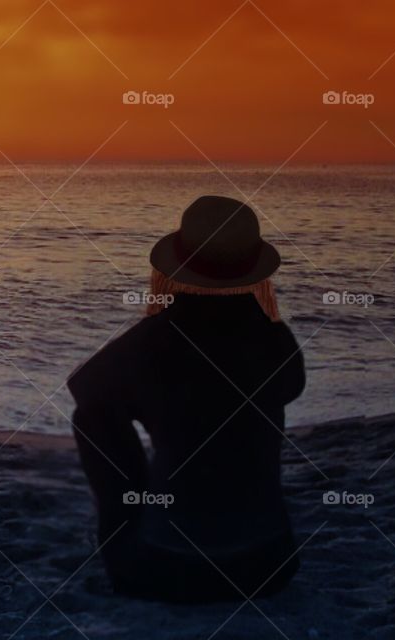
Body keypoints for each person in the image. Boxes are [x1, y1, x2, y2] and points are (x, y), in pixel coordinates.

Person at [68, 195, 306, 603]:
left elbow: (83, 387)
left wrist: (151, 405)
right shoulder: (274, 340)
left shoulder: (155, 339)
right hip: (268, 568)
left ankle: (143, 511)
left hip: (162, 571)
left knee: (91, 417)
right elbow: (291, 387)